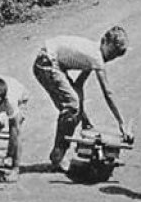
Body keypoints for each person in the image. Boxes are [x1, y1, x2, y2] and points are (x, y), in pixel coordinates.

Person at [32, 26, 134, 172]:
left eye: (115, 56)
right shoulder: (96, 56)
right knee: (72, 107)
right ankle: (58, 155)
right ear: (104, 41)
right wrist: (121, 123)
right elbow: (108, 93)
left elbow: (79, 85)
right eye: (111, 53)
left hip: (52, 61)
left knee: (75, 107)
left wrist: (84, 118)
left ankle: (59, 153)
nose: (110, 58)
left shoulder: (94, 55)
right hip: (46, 61)